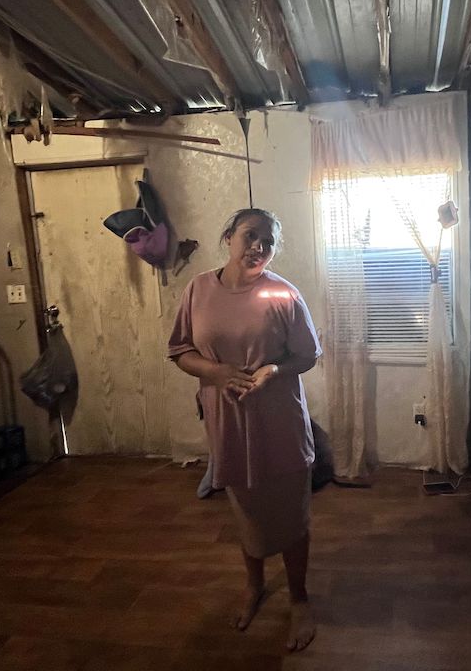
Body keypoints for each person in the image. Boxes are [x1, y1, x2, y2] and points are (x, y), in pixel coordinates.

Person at [167, 208, 321, 652]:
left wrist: (275, 367)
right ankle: (253, 586)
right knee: (246, 509)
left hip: (280, 423)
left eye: (267, 242)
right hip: (229, 423)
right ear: (228, 236)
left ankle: (299, 598)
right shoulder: (198, 289)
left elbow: (308, 356)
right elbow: (180, 351)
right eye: (250, 236)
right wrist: (215, 372)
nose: (258, 247)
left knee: (291, 514)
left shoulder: (284, 294)